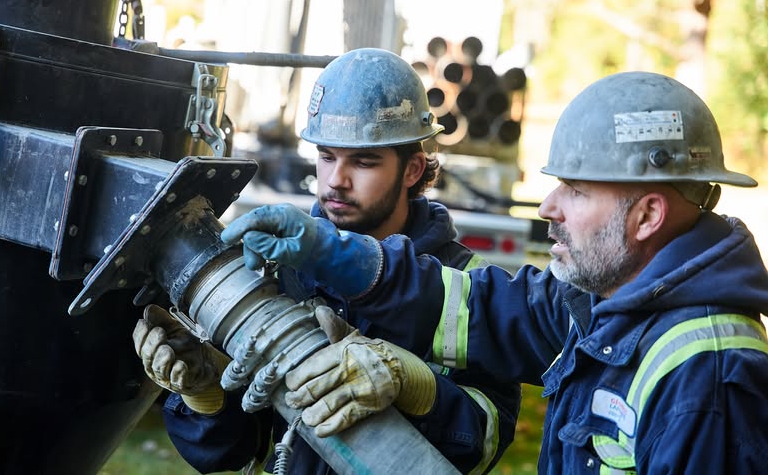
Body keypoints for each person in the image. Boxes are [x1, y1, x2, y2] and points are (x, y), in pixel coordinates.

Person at [221, 71, 768, 473]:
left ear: (648, 215)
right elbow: (479, 306)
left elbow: (478, 432)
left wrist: (423, 392)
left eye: (575, 191)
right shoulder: (602, 298)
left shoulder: (706, 376)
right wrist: (336, 253)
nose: (548, 207)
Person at [133, 47, 522, 474]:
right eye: (327, 156)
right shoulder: (282, 268)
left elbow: (486, 444)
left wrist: (419, 389)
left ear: (412, 170)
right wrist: (206, 392)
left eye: (364, 161)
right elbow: (241, 447)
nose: (336, 180)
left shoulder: (464, 287)